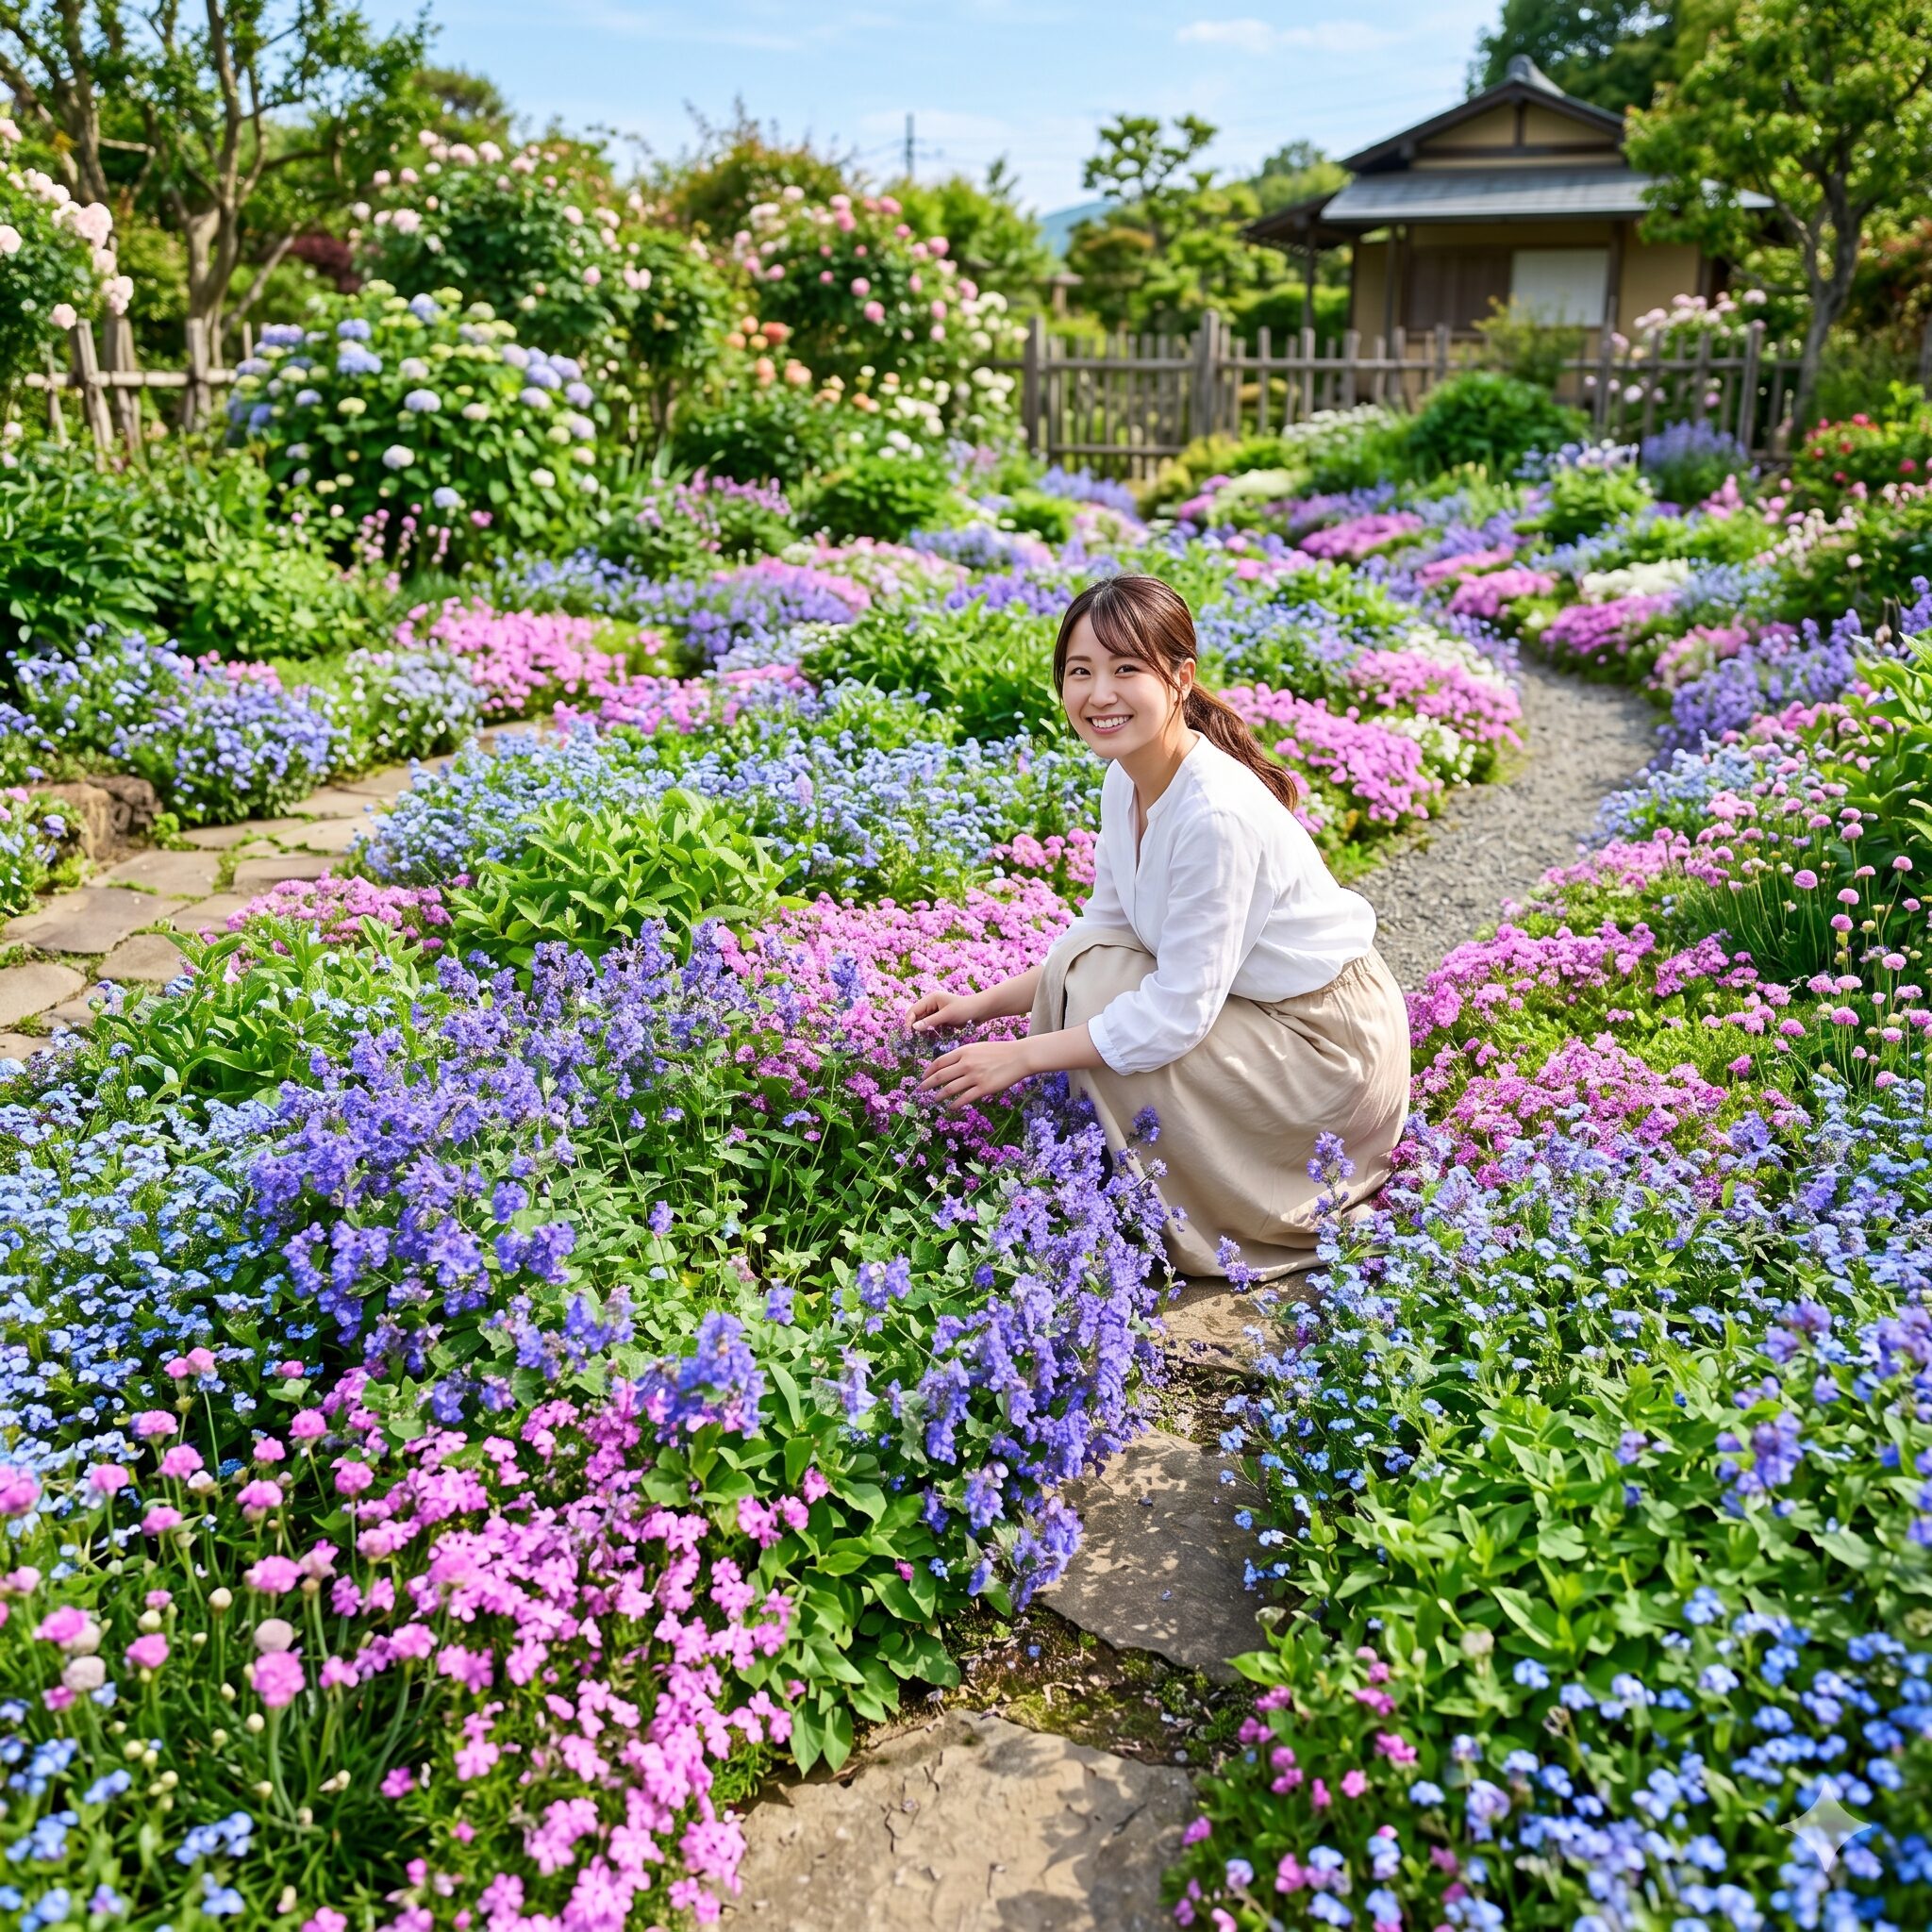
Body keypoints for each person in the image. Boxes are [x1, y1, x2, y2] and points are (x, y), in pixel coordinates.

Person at [909, 573, 1409, 1280]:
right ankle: (1110, 1185)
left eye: (1125, 669)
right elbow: (1104, 932)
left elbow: (1176, 1013)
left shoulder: (1215, 813)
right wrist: (979, 1006)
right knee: (1095, 975)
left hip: (1325, 1053)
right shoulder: (1128, 780)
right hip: (1258, 1009)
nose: (1099, 694)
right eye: (1079, 671)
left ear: (1180, 678)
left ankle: (1195, 1215)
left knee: (1100, 1008)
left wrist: (1021, 1057)